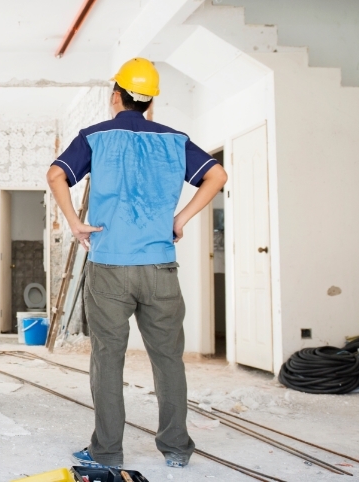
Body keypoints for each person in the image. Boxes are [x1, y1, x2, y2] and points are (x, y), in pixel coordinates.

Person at [46, 57, 228, 470]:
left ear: (116, 97)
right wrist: (179, 219)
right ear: (150, 103)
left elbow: (56, 174)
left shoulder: (95, 137)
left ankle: (107, 453)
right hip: (160, 266)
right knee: (168, 359)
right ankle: (177, 450)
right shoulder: (175, 140)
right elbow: (216, 176)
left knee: (108, 360)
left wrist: (76, 223)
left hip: (109, 266)